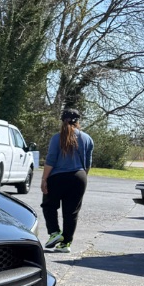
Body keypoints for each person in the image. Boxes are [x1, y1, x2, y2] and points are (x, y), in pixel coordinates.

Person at [41, 108, 94, 253]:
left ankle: (54, 233)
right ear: (78, 121)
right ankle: (66, 244)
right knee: (71, 212)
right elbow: (88, 163)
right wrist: (82, 178)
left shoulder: (57, 138)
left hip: (57, 177)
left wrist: (44, 179)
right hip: (79, 177)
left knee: (49, 205)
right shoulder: (87, 139)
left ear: (62, 120)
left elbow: (50, 160)